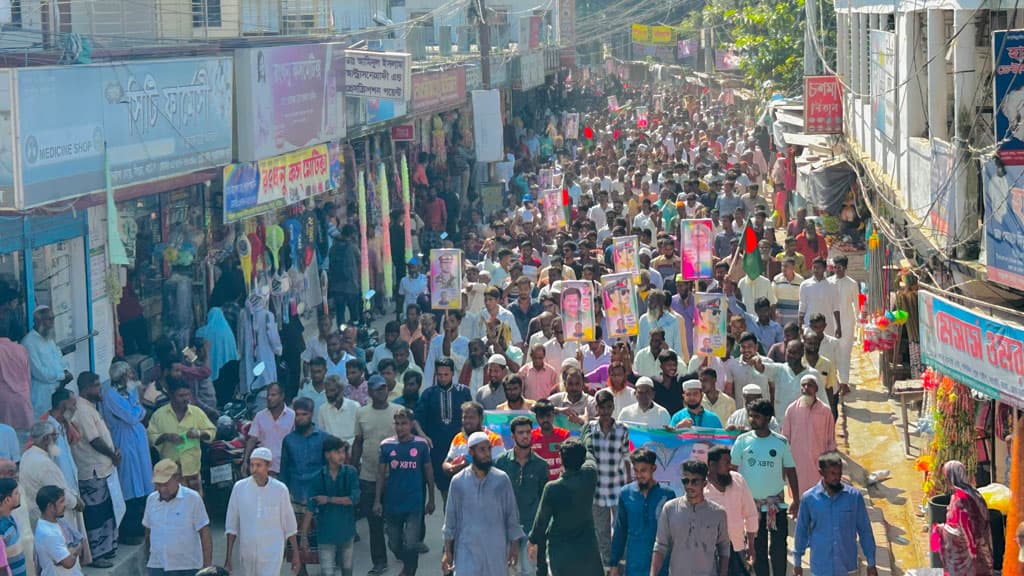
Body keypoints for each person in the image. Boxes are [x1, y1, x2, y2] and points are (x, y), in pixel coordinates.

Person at [731, 399, 800, 576]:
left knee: (778, 546)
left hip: (774, 505)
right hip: (750, 506)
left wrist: (796, 500)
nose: (752, 420)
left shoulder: (781, 442)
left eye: (757, 416)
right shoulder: (742, 441)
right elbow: (732, 471)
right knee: (757, 546)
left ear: (768, 418)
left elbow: (791, 471)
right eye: (751, 416)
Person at [442, 431, 525, 575]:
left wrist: (514, 546)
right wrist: (447, 551)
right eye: (482, 450)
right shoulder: (458, 481)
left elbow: (511, 515)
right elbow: (450, 519)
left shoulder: (501, 480)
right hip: (466, 551)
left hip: (496, 552)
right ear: (471, 452)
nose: (487, 454)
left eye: (489, 449)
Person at [527, 438, 604, 576]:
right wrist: (584, 434)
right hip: (587, 550)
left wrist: (532, 541)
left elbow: (541, 522)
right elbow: (590, 457)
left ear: (561, 458)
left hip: (561, 553)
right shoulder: (590, 475)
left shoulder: (552, 488)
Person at [351, 375, 403, 576]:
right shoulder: (361, 413)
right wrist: (354, 466)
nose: (380, 392)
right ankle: (379, 561)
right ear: (370, 392)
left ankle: (399, 548)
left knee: (395, 519)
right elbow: (358, 441)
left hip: (394, 475)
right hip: (368, 474)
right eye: (376, 389)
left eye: (383, 388)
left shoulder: (397, 412)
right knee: (374, 521)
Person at [793, 452, 877, 576]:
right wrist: (797, 563)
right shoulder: (809, 499)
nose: (837, 477)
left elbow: (865, 530)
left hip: (847, 566)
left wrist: (871, 563)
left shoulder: (854, 497)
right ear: (821, 473)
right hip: (821, 567)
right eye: (832, 473)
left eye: (839, 473)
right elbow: (801, 531)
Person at [18, 422, 88, 566]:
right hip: (52, 516)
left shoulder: (28, 455)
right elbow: (60, 494)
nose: (56, 441)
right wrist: (77, 502)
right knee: (63, 558)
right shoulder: (44, 463)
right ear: (45, 439)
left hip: (37, 516)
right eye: (54, 437)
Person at [375, 409, 434, 576]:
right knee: (394, 544)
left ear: (411, 425)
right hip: (392, 502)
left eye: (404, 423)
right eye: (397, 424)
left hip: (414, 502)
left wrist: (431, 499)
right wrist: (377, 500)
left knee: (411, 543)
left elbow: (428, 471)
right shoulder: (386, 445)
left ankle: (409, 571)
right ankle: (407, 563)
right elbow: (380, 474)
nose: (400, 427)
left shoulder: (421, 445)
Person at [223, 447, 300, 575]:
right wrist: (228, 558)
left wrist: (296, 555)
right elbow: (231, 525)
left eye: (259, 465)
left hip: (272, 555)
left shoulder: (280, 490)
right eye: (252, 465)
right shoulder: (239, 488)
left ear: (268, 466)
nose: (254, 470)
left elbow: (290, 525)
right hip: (247, 554)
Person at [68, 373, 119, 564]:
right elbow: (94, 440)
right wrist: (113, 455)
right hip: (92, 471)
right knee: (96, 513)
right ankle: (96, 555)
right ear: (86, 388)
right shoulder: (81, 409)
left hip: (103, 469)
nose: (100, 389)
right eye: (97, 386)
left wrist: (114, 451)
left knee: (106, 510)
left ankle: (108, 548)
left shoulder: (90, 407)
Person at [650, 460, 731, 576]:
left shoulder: (718, 513)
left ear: (704, 483)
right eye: (685, 481)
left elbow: (724, 548)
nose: (689, 485)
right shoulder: (670, 509)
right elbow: (660, 546)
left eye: (695, 481)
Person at [102, 362, 153, 546]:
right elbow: (132, 415)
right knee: (129, 482)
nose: (132, 376)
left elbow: (140, 411)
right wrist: (138, 409)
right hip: (124, 439)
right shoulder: (111, 395)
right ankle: (128, 530)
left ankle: (142, 525)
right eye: (129, 373)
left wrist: (138, 409)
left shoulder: (129, 391)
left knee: (143, 480)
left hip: (137, 439)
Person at [582, 390, 631, 570]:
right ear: (596, 408)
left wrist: (629, 484)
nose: (605, 411)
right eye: (602, 407)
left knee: (621, 529)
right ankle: (607, 567)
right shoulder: (589, 429)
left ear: (613, 407)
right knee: (601, 531)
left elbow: (627, 458)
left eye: (609, 407)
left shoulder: (622, 429)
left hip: (617, 486)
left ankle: (621, 565)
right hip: (596, 489)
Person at [494, 416, 549, 576]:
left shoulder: (541, 465)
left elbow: (543, 499)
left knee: (529, 571)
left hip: (531, 529)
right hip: (506, 528)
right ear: (513, 436)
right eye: (520, 432)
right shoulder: (501, 463)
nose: (525, 436)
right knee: (509, 570)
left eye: (527, 432)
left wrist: (540, 531)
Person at [415, 358, 473, 507]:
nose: (442, 378)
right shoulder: (428, 394)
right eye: (439, 374)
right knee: (444, 486)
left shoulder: (463, 392)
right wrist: (424, 436)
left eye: (446, 374)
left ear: (452, 374)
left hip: (460, 446)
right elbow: (416, 420)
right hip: (437, 448)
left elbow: (472, 417)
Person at [608, 448, 676, 576]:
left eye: (643, 470)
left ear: (653, 468)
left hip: (660, 566)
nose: (639, 475)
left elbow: (673, 535)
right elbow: (620, 531)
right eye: (636, 470)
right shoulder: (625, 494)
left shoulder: (667, 495)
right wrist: (614, 564)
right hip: (634, 565)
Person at [300, 436, 359, 576]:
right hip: (326, 534)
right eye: (338, 452)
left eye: (343, 452)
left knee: (347, 570)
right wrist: (303, 537)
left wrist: (329, 499)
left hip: (347, 531)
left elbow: (354, 499)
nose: (342, 456)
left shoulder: (350, 473)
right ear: (327, 455)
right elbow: (310, 508)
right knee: (327, 572)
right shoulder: (317, 477)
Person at [143, 459, 213, 576]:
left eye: (165, 484)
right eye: (158, 485)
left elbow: (204, 533)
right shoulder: (151, 500)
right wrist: (148, 560)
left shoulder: (193, 498)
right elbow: (148, 532)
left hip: (187, 567)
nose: (162, 489)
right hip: (158, 566)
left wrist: (207, 567)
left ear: (177, 479)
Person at [147, 379, 215, 495]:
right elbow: (150, 438)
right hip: (170, 474)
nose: (185, 398)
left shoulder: (196, 412)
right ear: (172, 396)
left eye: (188, 395)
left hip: (192, 471)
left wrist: (198, 434)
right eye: (181, 395)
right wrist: (165, 437)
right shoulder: (159, 415)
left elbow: (211, 432)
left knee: (195, 506)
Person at [931, 460, 995, 576]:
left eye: (946, 475)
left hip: (962, 549)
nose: (946, 479)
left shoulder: (961, 497)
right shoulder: (973, 492)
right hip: (973, 542)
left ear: (952, 476)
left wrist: (971, 548)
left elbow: (965, 523)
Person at [704, 445, 759, 576]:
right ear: (712, 465)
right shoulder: (701, 488)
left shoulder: (738, 480)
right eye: (726, 463)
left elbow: (751, 514)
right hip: (710, 552)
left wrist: (751, 546)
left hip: (737, 547)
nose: (730, 466)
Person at [280, 396, 326, 547]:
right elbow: (284, 469)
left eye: (304, 414)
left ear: (311, 414)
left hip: (317, 492)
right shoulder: (288, 440)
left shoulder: (323, 438)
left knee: (322, 539)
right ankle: (301, 570)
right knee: (297, 538)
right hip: (296, 493)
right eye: (297, 414)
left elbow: (328, 467)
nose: (300, 418)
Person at [782, 375, 837, 491]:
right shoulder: (792, 409)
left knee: (818, 493)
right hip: (797, 461)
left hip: (818, 461)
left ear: (816, 389)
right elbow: (785, 437)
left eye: (810, 385)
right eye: (803, 385)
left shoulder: (825, 411)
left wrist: (830, 461)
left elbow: (830, 439)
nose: (806, 388)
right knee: (798, 493)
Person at [22, 306, 73, 419]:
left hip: (57, 391)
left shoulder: (49, 339)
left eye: (53, 319)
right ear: (37, 321)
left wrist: (65, 373)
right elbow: (39, 372)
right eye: (48, 319)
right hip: (41, 395)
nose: (52, 323)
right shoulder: (28, 342)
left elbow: (59, 360)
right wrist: (61, 375)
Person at [243, 382, 295, 476]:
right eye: (268, 395)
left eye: (273, 395)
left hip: (285, 467)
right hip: (264, 467)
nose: (269, 398)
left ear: (282, 396)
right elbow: (252, 439)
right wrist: (245, 461)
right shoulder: (260, 416)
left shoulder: (292, 416)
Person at [442, 402, 506, 479]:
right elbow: (447, 462)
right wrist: (452, 468)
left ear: (481, 419)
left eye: (471, 417)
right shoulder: (458, 438)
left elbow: (499, 467)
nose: (467, 421)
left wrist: (468, 464)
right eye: (465, 417)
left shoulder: (494, 439)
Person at [33, 485, 84, 576]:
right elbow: (68, 563)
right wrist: (75, 549)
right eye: (61, 502)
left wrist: (70, 551)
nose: (64, 505)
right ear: (50, 506)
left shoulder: (59, 522)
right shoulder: (49, 534)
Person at [0, 324, 31, 433]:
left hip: (4, 401)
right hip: (23, 397)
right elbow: (28, 375)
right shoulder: (21, 348)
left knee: (6, 438)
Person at [0, 477, 26, 576]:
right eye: (16, 493)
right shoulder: (2, 529)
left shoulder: (10, 518)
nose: (19, 495)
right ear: (7, 500)